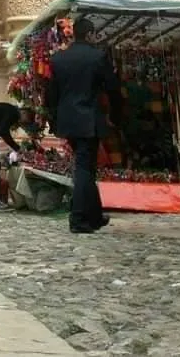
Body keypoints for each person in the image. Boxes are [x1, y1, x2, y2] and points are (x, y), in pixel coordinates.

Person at [46, 17, 120, 234]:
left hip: (68, 120)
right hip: (89, 119)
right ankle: (78, 219)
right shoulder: (97, 57)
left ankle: (95, 215)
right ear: (89, 35)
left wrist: (54, 119)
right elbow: (112, 88)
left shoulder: (58, 59)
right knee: (84, 168)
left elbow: (51, 93)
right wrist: (115, 114)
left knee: (86, 166)